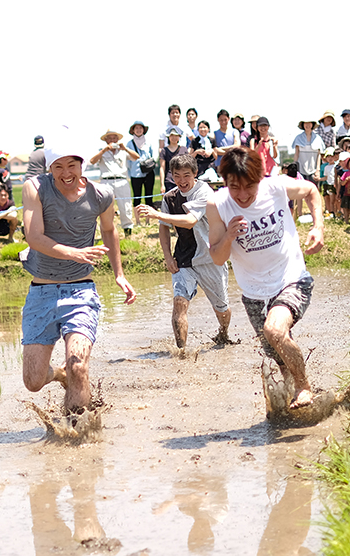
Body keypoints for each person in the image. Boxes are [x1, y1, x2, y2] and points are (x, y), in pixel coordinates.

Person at [20, 131, 137, 414]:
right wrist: (75, 252)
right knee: (33, 381)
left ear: (82, 165)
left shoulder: (101, 195)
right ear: (50, 168)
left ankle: (79, 436)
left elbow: (109, 231)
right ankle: (58, 375)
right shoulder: (35, 188)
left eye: (71, 165)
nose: (65, 173)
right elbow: (33, 238)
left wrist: (118, 274)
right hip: (42, 291)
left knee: (78, 365)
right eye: (58, 167)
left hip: (80, 289)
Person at [206, 146, 324, 410]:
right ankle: (293, 399)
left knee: (275, 330)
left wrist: (318, 227)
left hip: (291, 278)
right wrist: (229, 236)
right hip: (254, 293)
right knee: (277, 353)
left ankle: (305, 387)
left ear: (260, 178)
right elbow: (217, 257)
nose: (243, 195)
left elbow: (311, 190)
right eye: (235, 187)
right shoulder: (217, 204)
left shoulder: (276, 187)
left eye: (250, 186)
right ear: (225, 182)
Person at [135, 154, 231, 348]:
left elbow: (190, 221)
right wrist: (168, 256)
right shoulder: (169, 198)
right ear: (171, 175)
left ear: (195, 174)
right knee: (179, 303)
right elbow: (163, 228)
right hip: (184, 258)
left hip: (210, 257)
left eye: (186, 175)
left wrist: (156, 213)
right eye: (176, 175)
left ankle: (224, 332)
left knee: (221, 308)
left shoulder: (204, 192)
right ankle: (181, 353)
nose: (181, 181)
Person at [89, 129, 138, 236]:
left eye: (114, 138)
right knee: (105, 208)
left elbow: (136, 157)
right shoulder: (101, 151)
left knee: (125, 206)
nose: (112, 140)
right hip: (106, 181)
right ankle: (107, 232)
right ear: (106, 140)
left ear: (117, 139)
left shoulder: (123, 151)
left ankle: (128, 232)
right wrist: (103, 151)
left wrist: (125, 148)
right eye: (109, 138)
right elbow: (92, 161)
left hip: (121, 180)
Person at [126, 121, 156, 221]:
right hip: (135, 173)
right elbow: (128, 161)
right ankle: (138, 220)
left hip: (148, 173)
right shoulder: (129, 144)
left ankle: (148, 219)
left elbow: (152, 156)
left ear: (144, 130)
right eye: (136, 128)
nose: (138, 130)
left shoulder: (148, 142)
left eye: (140, 128)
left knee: (149, 196)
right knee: (137, 197)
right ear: (133, 130)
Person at [160, 128, 189, 192]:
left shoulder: (184, 149)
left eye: (176, 136)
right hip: (169, 181)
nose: (174, 138)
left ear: (179, 137)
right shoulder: (164, 150)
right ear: (168, 137)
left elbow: (188, 167)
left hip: (183, 181)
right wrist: (162, 185)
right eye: (172, 135)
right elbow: (162, 168)